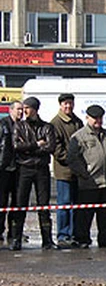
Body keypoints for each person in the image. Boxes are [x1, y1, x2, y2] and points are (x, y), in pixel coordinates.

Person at [67, 105, 106, 249]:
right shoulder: (79, 137)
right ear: (87, 118)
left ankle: (105, 239)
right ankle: (82, 239)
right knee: (84, 215)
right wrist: (84, 174)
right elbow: (73, 159)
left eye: (100, 118)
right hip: (89, 183)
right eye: (95, 118)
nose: (98, 121)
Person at [9, 97, 56, 250]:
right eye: (23, 108)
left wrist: (29, 149)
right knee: (20, 204)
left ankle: (47, 240)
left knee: (43, 204)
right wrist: (36, 144)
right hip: (24, 169)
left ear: (35, 109)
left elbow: (50, 147)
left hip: (41, 169)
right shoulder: (19, 126)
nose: (24, 111)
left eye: (27, 108)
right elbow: (17, 145)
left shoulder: (47, 127)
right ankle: (16, 238)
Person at [50, 93, 84, 248]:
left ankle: (76, 234)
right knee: (64, 204)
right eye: (65, 104)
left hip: (78, 172)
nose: (68, 106)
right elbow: (57, 149)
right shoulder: (55, 123)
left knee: (77, 205)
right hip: (64, 171)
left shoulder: (78, 122)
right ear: (60, 105)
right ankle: (63, 236)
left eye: (70, 103)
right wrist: (72, 161)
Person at [0, 101, 22, 245]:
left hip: (19, 169)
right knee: (1, 202)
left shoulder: (23, 126)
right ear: (11, 110)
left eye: (22, 109)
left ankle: (13, 233)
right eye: (18, 109)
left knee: (17, 202)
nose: (21, 112)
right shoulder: (3, 124)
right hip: (3, 168)